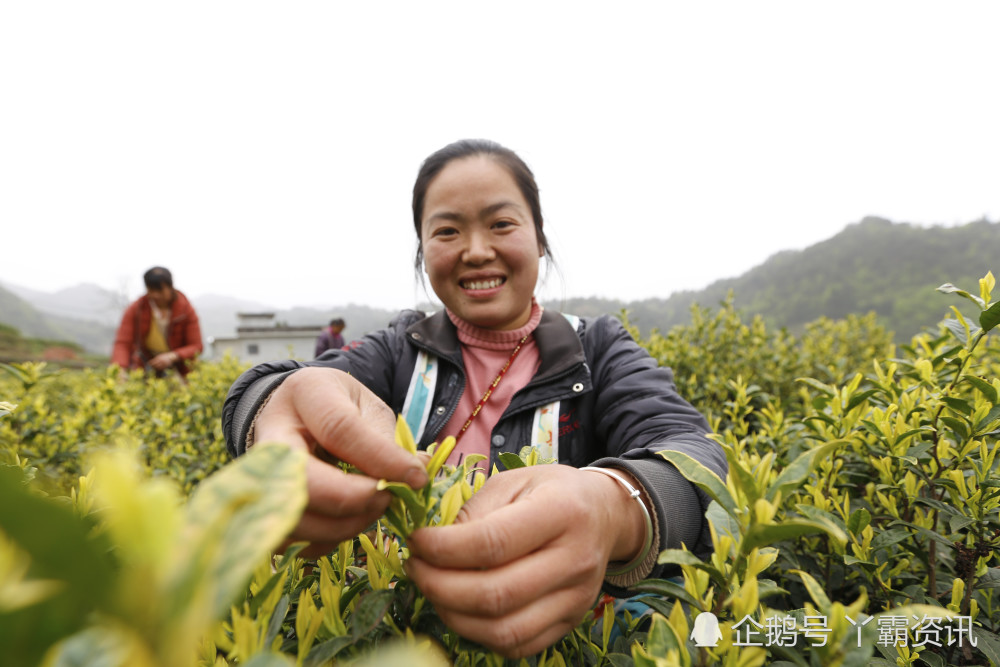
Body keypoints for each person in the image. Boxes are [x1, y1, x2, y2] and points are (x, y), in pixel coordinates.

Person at [221, 139, 726, 658]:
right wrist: (274, 406)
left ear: (540, 241)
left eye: (501, 224)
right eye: (447, 230)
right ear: (422, 252)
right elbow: (281, 386)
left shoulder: (596, 347)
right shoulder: (400, 350)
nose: (477, 249)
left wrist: (615, 504)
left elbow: (690, 451)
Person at [112, 266, 203, 379]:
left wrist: (172, 356)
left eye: (159, 290)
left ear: (170, 287)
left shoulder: (185, 310)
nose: (155, 295)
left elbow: (196, 346)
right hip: (147, 364)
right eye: (151, 290)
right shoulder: (137, 308)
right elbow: (123, 342)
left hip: (179, 366)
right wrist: (120, 368)